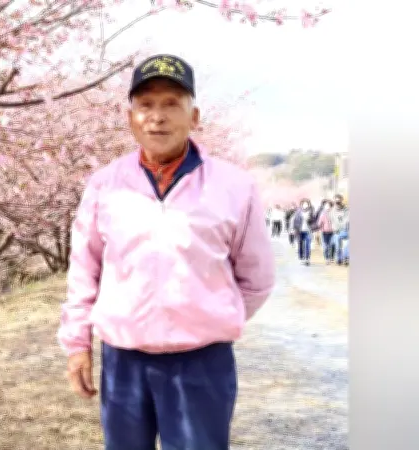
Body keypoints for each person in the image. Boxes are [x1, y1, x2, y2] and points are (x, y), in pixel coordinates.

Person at [57, 54, 276, 450]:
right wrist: (77, 344)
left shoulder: (234, 187)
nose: (157, 117)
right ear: (131, 119)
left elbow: (256, 279)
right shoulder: (105, 186)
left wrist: (209, 314)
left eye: (172, 103)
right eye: (146, 105)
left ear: (194, 117)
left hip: (202, 362)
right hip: (123, 360)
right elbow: (83, 270)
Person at [291, 198, 316, 265]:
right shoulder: (298, 212)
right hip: (299, 231)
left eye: (306, 204)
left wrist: (310, 220)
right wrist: (293, 229)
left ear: (309, 204)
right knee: (300, 245)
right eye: (304, 204)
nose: (305, 205)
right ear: (301, 204)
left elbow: (314, 221)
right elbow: (295, 221)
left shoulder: (311, 212)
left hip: (308, 231)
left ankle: (307, 259)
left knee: (308, 245)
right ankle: (301, 258)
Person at [330, 194, 349, 265]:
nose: (337, 202)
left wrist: (344, 226)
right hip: (336, 231)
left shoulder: (346, 209)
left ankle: (346, 257)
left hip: (345, 230)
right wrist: (334, 228)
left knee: (347, 245)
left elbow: (347, 220)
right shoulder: (332, 211)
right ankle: (339, 259)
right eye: (336, 200)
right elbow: (332, 221)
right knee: (338, 246)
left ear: (341, 200)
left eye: (339, 200)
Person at [315, 199, 335, 264]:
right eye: (326, 206)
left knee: (332, 244)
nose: (327, 207)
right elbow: (319, 223)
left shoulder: (334, 213)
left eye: (328, 205)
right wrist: (318, 229)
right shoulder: (323, 213)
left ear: (331, 206)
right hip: (324, 232)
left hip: (333, 231)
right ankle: (327, 258)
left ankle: (331, 257)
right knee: (326, 245)